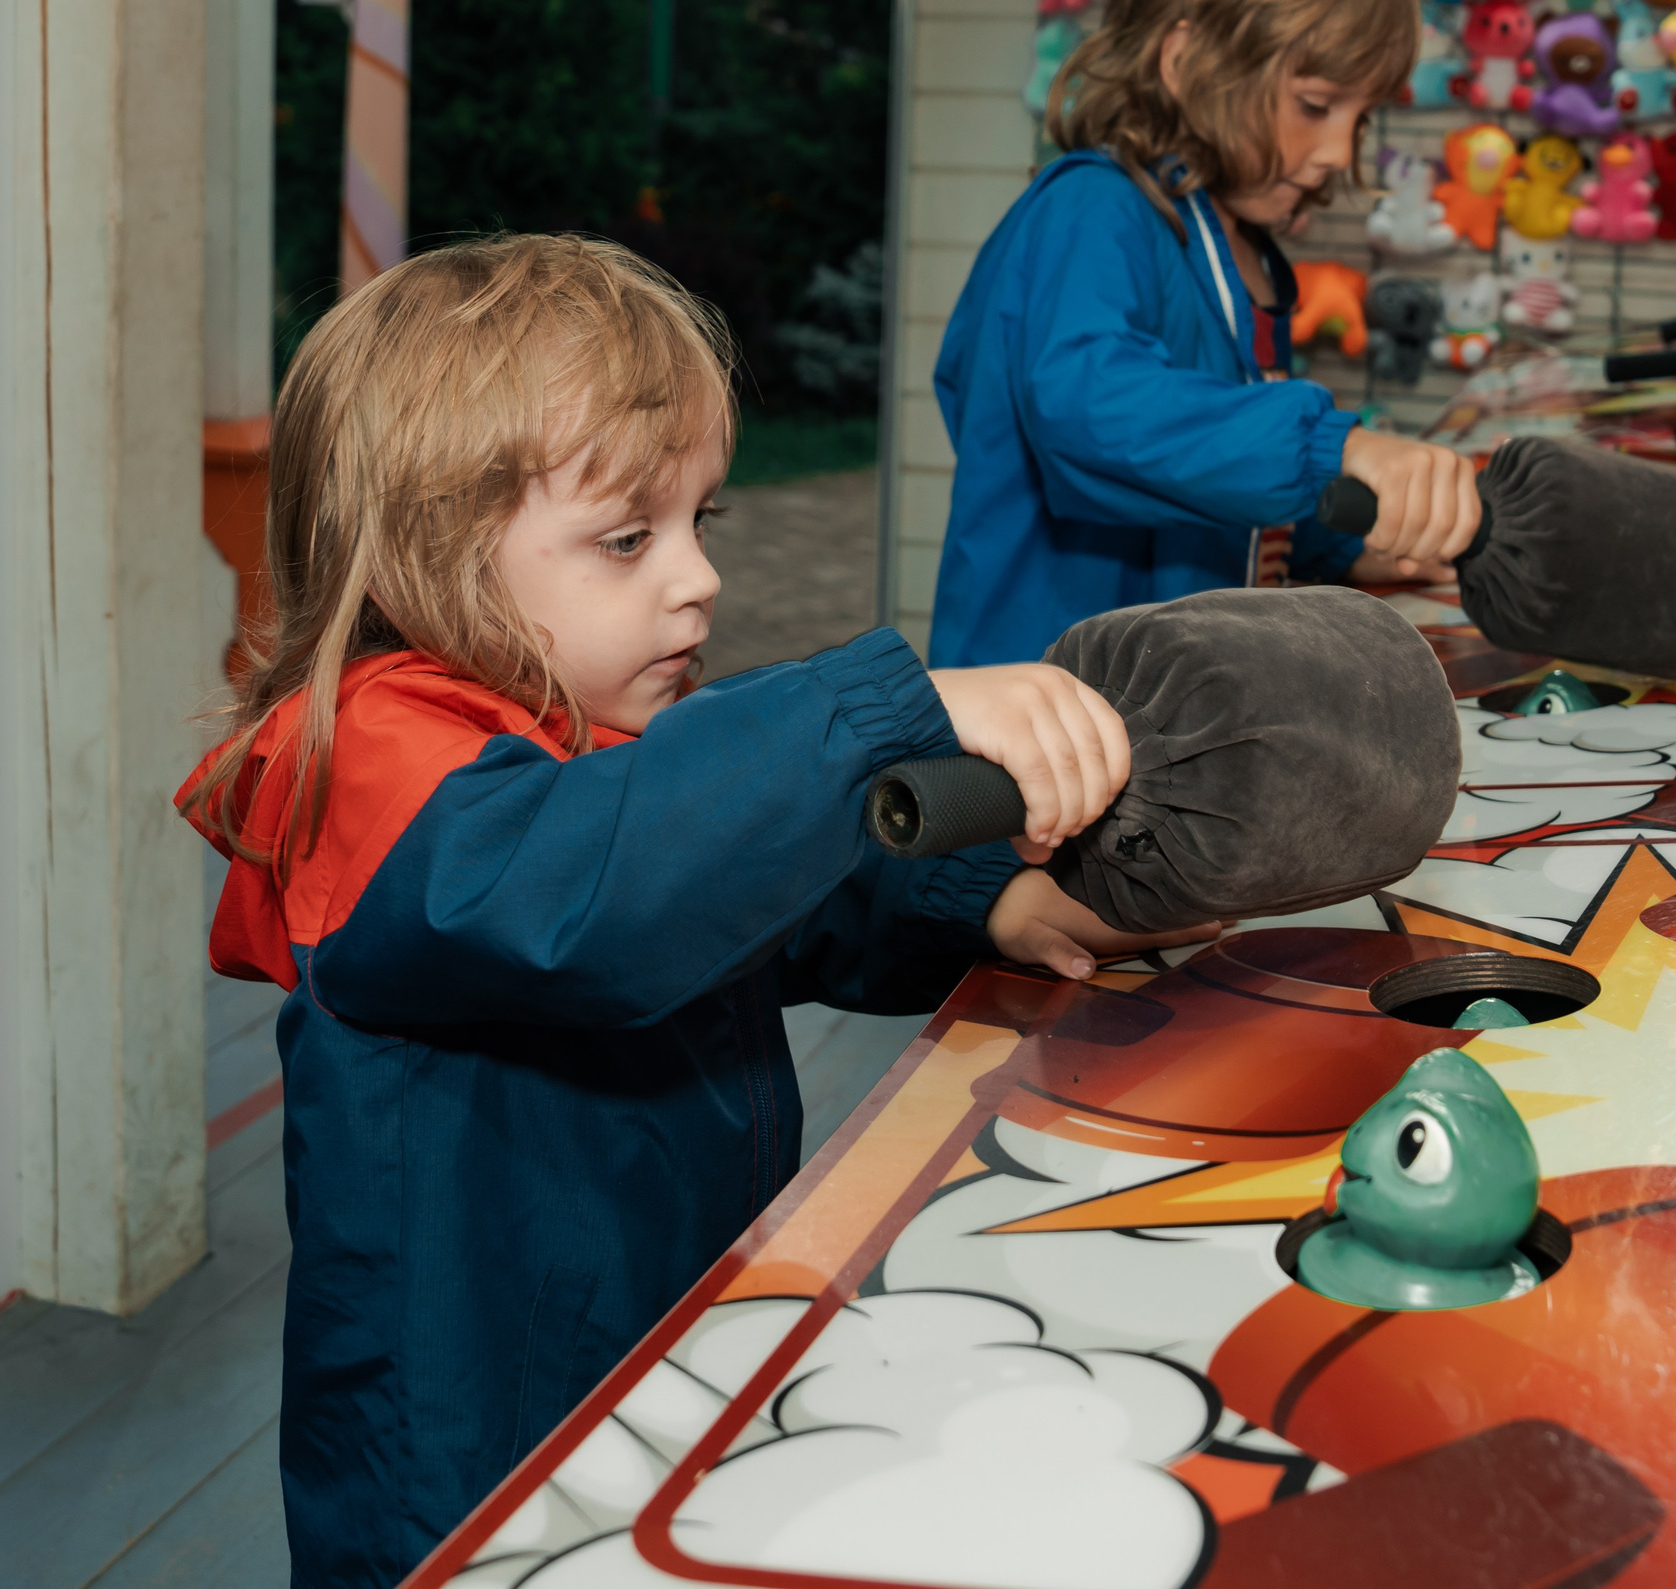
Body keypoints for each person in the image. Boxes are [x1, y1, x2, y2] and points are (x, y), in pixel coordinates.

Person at [175, 237, 1205, 1588]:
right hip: (465, 1461)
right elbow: (595, 892)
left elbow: (766, 889)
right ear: (429, 556)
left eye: (697, 521)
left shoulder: (585, 736)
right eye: (624, 539)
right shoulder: (377, 760)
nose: (696, 578)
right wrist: (893, 712)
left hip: (660, 1358)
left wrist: (982, 898)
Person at [930, 0, 1485, 667]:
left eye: (1360, 117)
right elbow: (1088, 409)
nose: (1337, 152)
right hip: (1045, 724)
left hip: (1170, 711)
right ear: (1187, 61)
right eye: (1316, 105)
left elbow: (1213, 482)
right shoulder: (1092, 208)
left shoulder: (1239, 249)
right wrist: (1333, 450)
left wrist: (1331, 546)